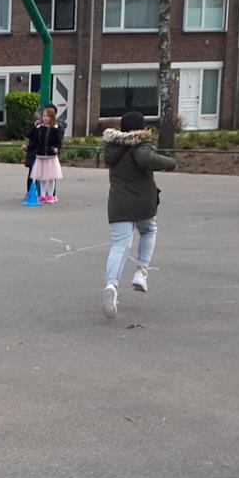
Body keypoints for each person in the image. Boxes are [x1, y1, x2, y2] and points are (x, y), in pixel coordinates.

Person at [102, 110, 177, 320]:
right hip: (143, 203)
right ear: (142, 127)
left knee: (119, 245)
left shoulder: (113, 147)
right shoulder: (141, 144)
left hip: (118, 204)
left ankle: (111, 285)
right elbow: (146, 160)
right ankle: (141, 271)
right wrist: (171, 163)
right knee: (149, 230)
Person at [25, 105, 65, 203]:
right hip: (41, 156)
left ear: (52, 117)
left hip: (51, 156)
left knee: (51, 177)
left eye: (47, 116)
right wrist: (28, 147)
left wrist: (57, 149)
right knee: (42, 176)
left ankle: (50, 195)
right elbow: (35, 141)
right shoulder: (40, 128)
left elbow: (59, 141)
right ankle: (42, 195)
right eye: (43, 116)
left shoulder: (56, 129)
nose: (44, 118)